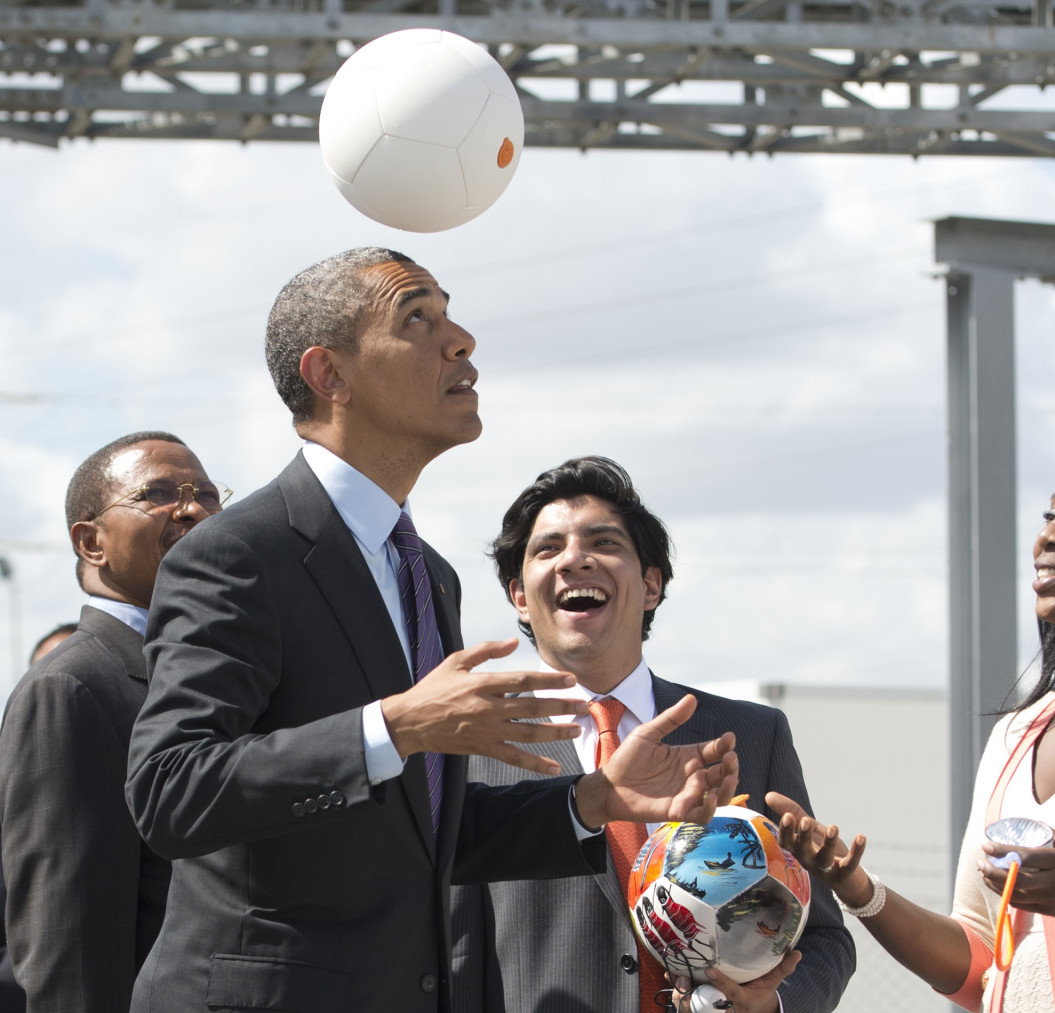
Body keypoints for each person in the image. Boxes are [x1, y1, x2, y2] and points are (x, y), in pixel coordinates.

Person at [123, 248, 739, 1013]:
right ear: (329, 373)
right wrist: (395, 725)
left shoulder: (428, 574)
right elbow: (170, 790)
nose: (461, 339)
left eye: (449, 313)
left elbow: (426, 834)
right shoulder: (238, 552)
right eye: (417, 317)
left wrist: (593, 797)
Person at [771, 430, 1055, 1012]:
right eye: (1050, 514)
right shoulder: (1018, 734)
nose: (1048, 536)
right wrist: (854, 885)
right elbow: (979, 963)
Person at [450, 456, 855, 1013]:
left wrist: (768, 1006)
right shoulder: (470, 745)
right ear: (520, 595)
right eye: (548, 548)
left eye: (603, 542)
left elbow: (822, 937)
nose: (575, 559)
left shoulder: (750, 735)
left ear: (650, 585)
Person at [0, 431, 225, 1012]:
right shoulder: (71, 688)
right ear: (91, 542)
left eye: (205, 493)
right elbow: (67, 943)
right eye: (157, 494)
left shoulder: (224, 670)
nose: (192, 509)